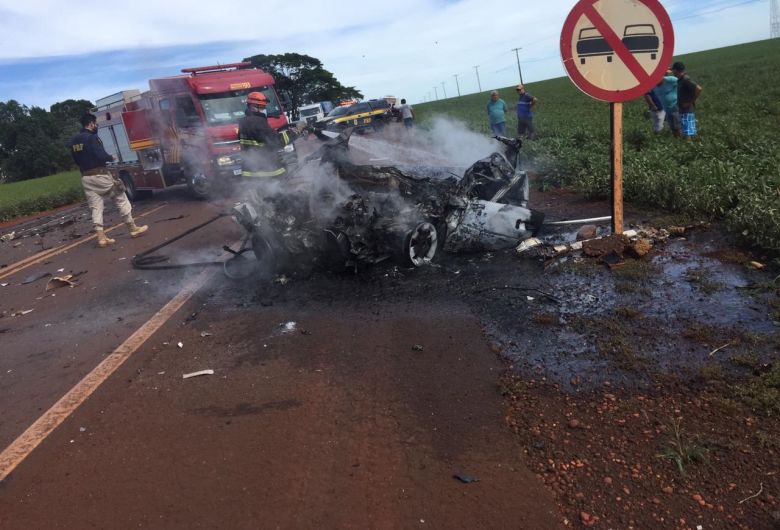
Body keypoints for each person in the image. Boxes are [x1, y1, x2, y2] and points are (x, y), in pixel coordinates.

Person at [70, 113, 148, 248]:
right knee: (121, 196)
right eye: (95, 123)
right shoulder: (92, 138)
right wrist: (111, 157)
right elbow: (100, 155)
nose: (96, 126)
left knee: (96, 207)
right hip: (100, 176)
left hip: (86, 178)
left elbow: (76, 160)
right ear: (90, 124)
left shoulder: (74, 141)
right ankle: (132, 228)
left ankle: (101, 238)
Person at [238, 91, 292, 178]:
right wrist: (295, 132)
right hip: (268, 171)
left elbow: (258, 139)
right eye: (262, 107)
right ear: (253, 107)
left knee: (263, 191)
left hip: (251, 171)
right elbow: (276, 142)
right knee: (277, 190)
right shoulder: (258, 122)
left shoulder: (243, 122)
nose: (264, 110)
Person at [672, 62, 702, 141]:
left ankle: (689, 148)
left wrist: (690, 102)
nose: (672, 72)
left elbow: (698, 89)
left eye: (673, 70)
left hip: (687, 110)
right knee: (686, 131)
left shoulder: (685, 79)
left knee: (687, 132)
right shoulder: (680, 80)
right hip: (683, 109)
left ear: (676, 70)